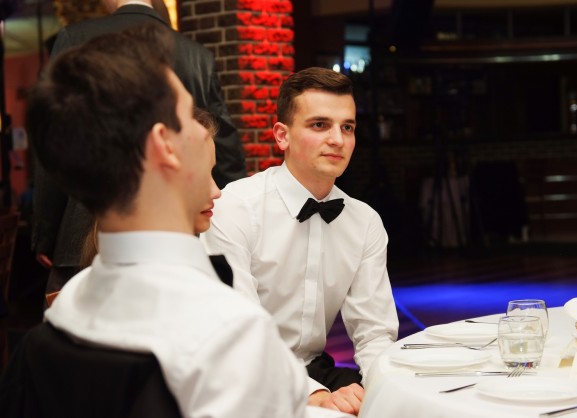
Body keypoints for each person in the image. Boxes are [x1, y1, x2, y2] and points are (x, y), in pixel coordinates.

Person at [5, 24, 352, 418]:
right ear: (164, 145)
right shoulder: (228, 336)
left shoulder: (62, 315)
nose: (205, 130)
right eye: (189, 114)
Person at [200, 67, 399, 412]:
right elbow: (241, 332)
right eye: (320, 125)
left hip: (316, 370)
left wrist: (381, 391)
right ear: (282, 136)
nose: (338, 140)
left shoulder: (364, 221)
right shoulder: (235, 207)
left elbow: (374, 333)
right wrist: (315, 396)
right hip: (242, 373)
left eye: (347, 127)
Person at [32, 0, 247, 298]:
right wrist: (230, 224)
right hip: (179, 236)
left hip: (82, 231)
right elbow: (226, 149)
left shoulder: (75, 38)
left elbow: (55, 141)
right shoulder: (197, 55)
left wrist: (46, 231)